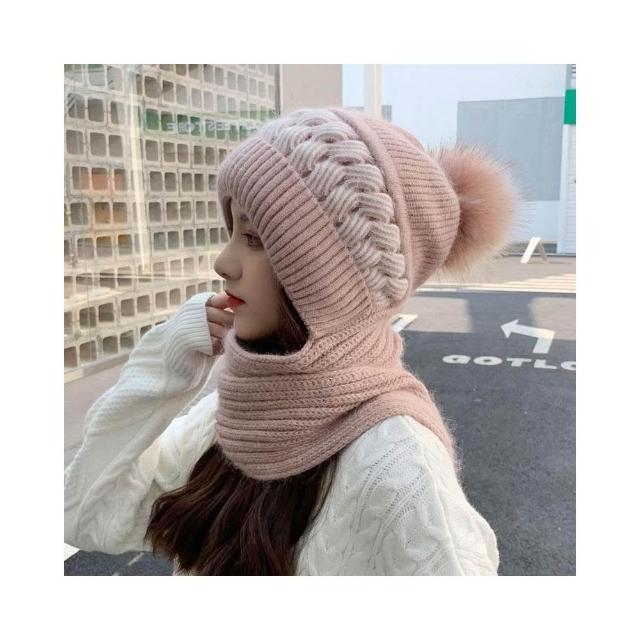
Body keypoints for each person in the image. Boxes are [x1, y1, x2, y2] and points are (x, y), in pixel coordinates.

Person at [64, 106, 518, 576]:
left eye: (254, 238)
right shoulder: (238, 411)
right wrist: (168, 360)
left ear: (328, 278)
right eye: (232, 231)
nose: (223, 262)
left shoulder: (400, 466)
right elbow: (83, 514)